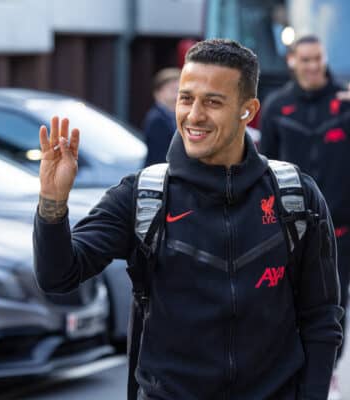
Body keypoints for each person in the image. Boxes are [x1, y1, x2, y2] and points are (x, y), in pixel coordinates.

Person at [34, 39, 343, 399]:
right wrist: (52, 204)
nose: (194, 115)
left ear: (248, 110)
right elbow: (58, 277)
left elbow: (321, 318)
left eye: (213, 101)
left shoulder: (296, 195)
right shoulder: (143, 195)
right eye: (185, 98)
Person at [260, 34, 349, 399]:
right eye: (306, 59)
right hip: (291, 230)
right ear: (293, 61)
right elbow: (263, 168)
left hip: (342, 233)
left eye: (319, 59)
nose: (314, 66)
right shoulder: (277, 107)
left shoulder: (345, 103)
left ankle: (323, 378)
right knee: (287, 306)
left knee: (333, 311)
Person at [141, 67, 180, 166]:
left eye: (180, 90)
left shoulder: (172, 116)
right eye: (173, 90)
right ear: (158, 93)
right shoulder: (157, 119)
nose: (177, 95)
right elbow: (159, 156)